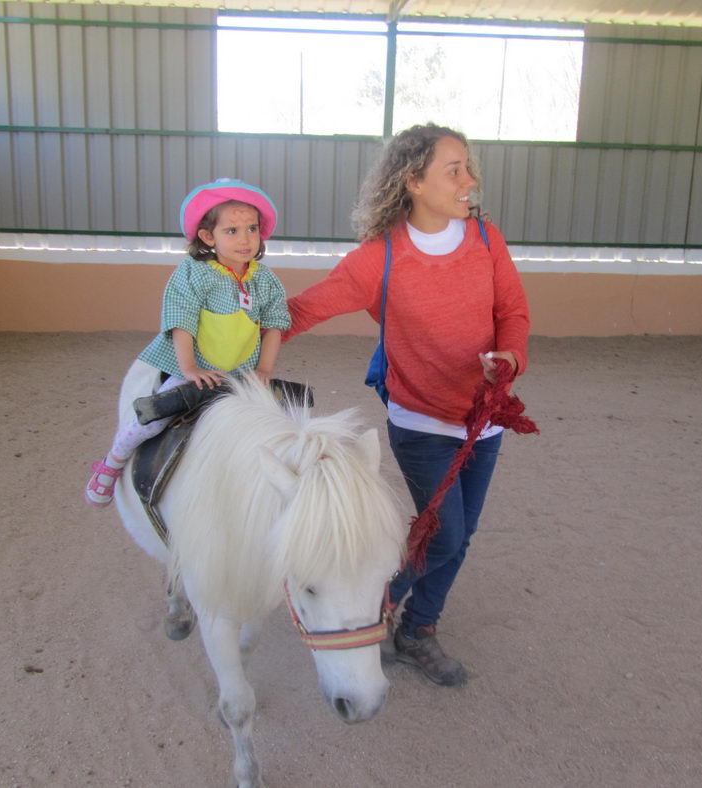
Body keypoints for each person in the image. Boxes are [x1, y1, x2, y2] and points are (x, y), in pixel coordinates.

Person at [283, 123, 530, 686]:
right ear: (413, 181)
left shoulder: (487, 240)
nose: (470, 180)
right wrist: (222, 335)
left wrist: (510, 359)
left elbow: (513, 311)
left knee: (458, 536)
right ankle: (372, 602)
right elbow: (302, 311)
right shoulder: (380, 258)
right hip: (421, 421)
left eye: (469, 166)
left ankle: (418, 629)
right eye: (454, 170)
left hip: (486, 420)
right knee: (442, 535)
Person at [86, 178, 291, 507]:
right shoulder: (193, 273)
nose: (246, 239)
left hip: (240, 370)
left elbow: (275, 325)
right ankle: (113, 461)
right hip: (196, 365)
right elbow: (181, 321)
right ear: (208, 236)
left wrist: (265, 369)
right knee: (158, 418)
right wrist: (190, 368)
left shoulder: (265, 280)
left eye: (252, 228)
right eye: (232, 231)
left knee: (275, 421)